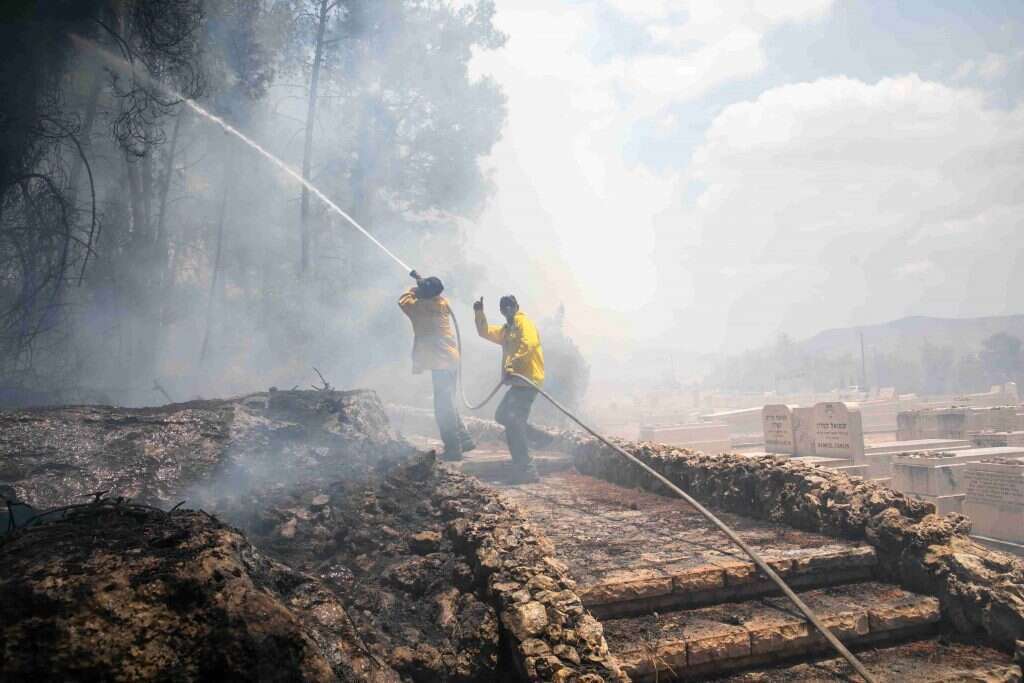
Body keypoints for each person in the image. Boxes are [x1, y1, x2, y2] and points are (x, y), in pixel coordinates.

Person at [399, 274, 475, 461]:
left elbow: (403, 301)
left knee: (442, 408)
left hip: (441, 363)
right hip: (450, 359)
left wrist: (414, 289)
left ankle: (453, 449)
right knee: (448, 402)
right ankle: (464, 440)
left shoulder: (421, 308)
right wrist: (424, 286)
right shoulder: (441, 303)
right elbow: (431, 294)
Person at [474, 294, 545, 482]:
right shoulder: (506, 330)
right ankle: (539, 437)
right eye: (503, 306)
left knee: (513, 421)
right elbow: (485, 332)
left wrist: (511, 364)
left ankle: (526, 470)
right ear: (501, 310)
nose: (507, 309)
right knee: (502, 415)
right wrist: (479, 313)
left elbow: (528, 344)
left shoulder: (524, 323)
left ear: (516, 306)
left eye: (510, 305)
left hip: (528, 380)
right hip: (517, 383)